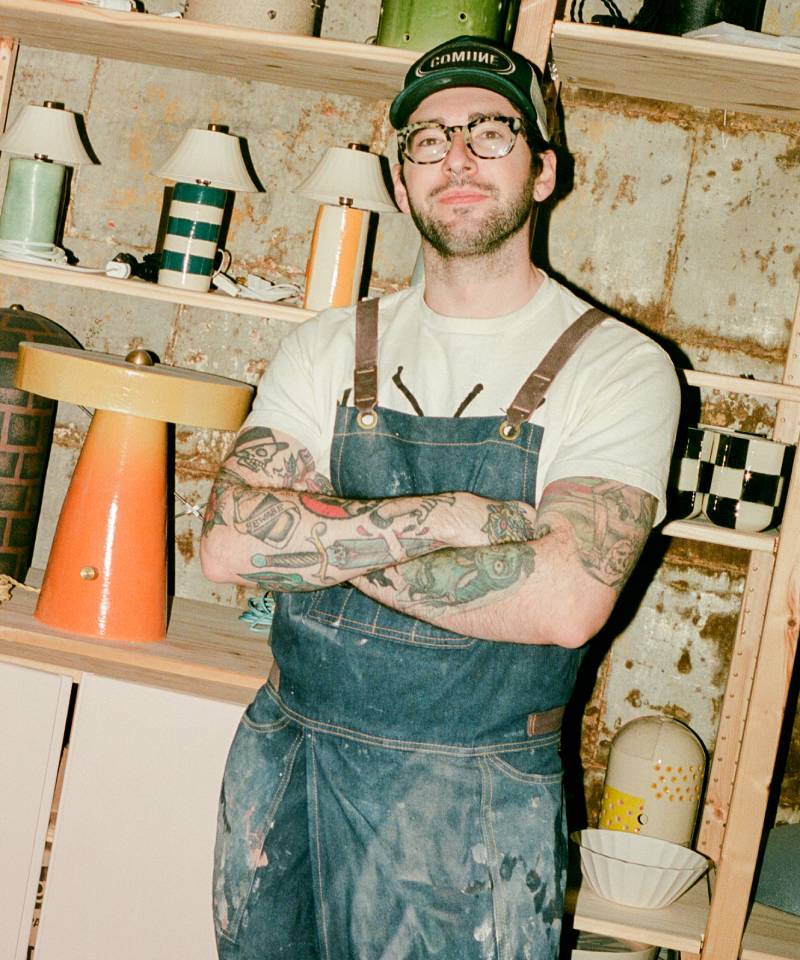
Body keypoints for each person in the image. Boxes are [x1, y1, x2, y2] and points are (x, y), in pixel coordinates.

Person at [201, 33, 680, 960]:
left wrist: (327, 541)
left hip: (474, 795)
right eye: (427, 140)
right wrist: (451, 520)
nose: (456, 158)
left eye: (490, 133)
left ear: (544, 171)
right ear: (400, 175)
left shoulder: (621, 369)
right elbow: (226, 546)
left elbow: (563, 601)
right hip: (286, 758)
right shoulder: (327, 344)